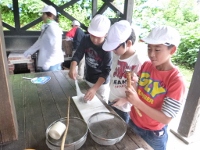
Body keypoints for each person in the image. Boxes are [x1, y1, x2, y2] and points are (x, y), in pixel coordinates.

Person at [125, 26, 186, 150]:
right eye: (149, 48)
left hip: (153, 134)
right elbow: (140, 91)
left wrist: (136, 101)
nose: (151, 54)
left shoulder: (176, 81)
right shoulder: (147, 65)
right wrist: (133, 83)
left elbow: (166, 118)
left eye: (157, 50)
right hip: (133, 122)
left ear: (172, 50)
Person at [102, 20, 146, 123]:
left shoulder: (139, 61)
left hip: (126, 107)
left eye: (115, 47)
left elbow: (142, 89)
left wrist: (125, 100)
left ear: (128, 43)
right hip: (112, 99)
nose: (113, 50)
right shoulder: (116, 55)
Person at [68, 14, 111, 103]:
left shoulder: (108, 48)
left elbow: (106, 71)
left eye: (98, 37)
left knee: (101, 106)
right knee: (87, 104)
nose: (95, 39)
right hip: (88, 78)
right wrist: (73, 66)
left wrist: (95, 88)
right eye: (92, 35)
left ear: (106, 34)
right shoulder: (86, 38)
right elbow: (78, 54)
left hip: (101, 84)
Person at [24, 5, 64, 72]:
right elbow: (40, 41)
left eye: (44, 14)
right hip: (47, 63)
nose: (42, 16)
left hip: (52, 64)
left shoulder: (53, 28)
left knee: (52, 82)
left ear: (50, 15)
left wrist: (49, 62)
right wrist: (29, 51)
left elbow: (56, 47)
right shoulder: (47, 27)